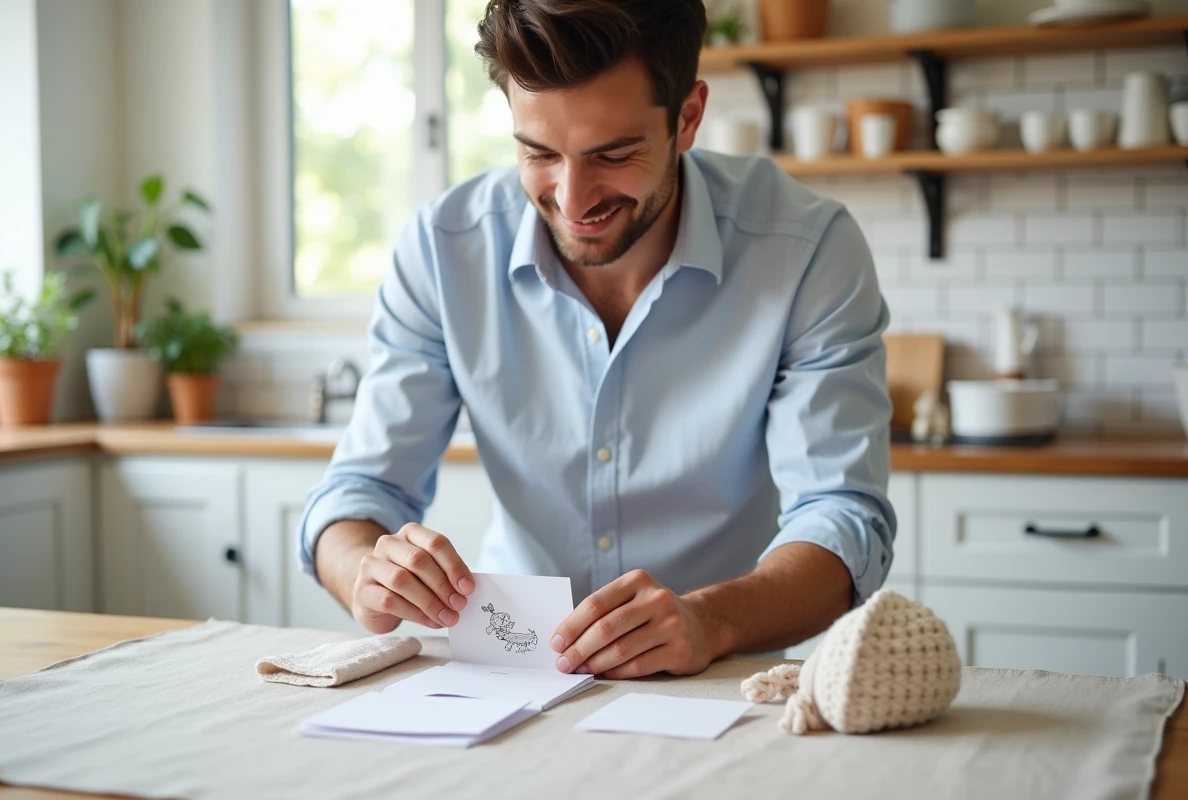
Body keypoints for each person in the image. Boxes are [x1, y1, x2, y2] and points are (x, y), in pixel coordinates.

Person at [298, 0, 895, 681]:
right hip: (513, 679)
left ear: (688, 117)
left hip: (718, 683)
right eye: (538, 153)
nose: (574, 200)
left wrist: (709, 620)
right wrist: (367, 573)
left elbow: (843, 518)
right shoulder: (444, 250)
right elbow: (357, 494)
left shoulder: (807, 249)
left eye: (613, 154)